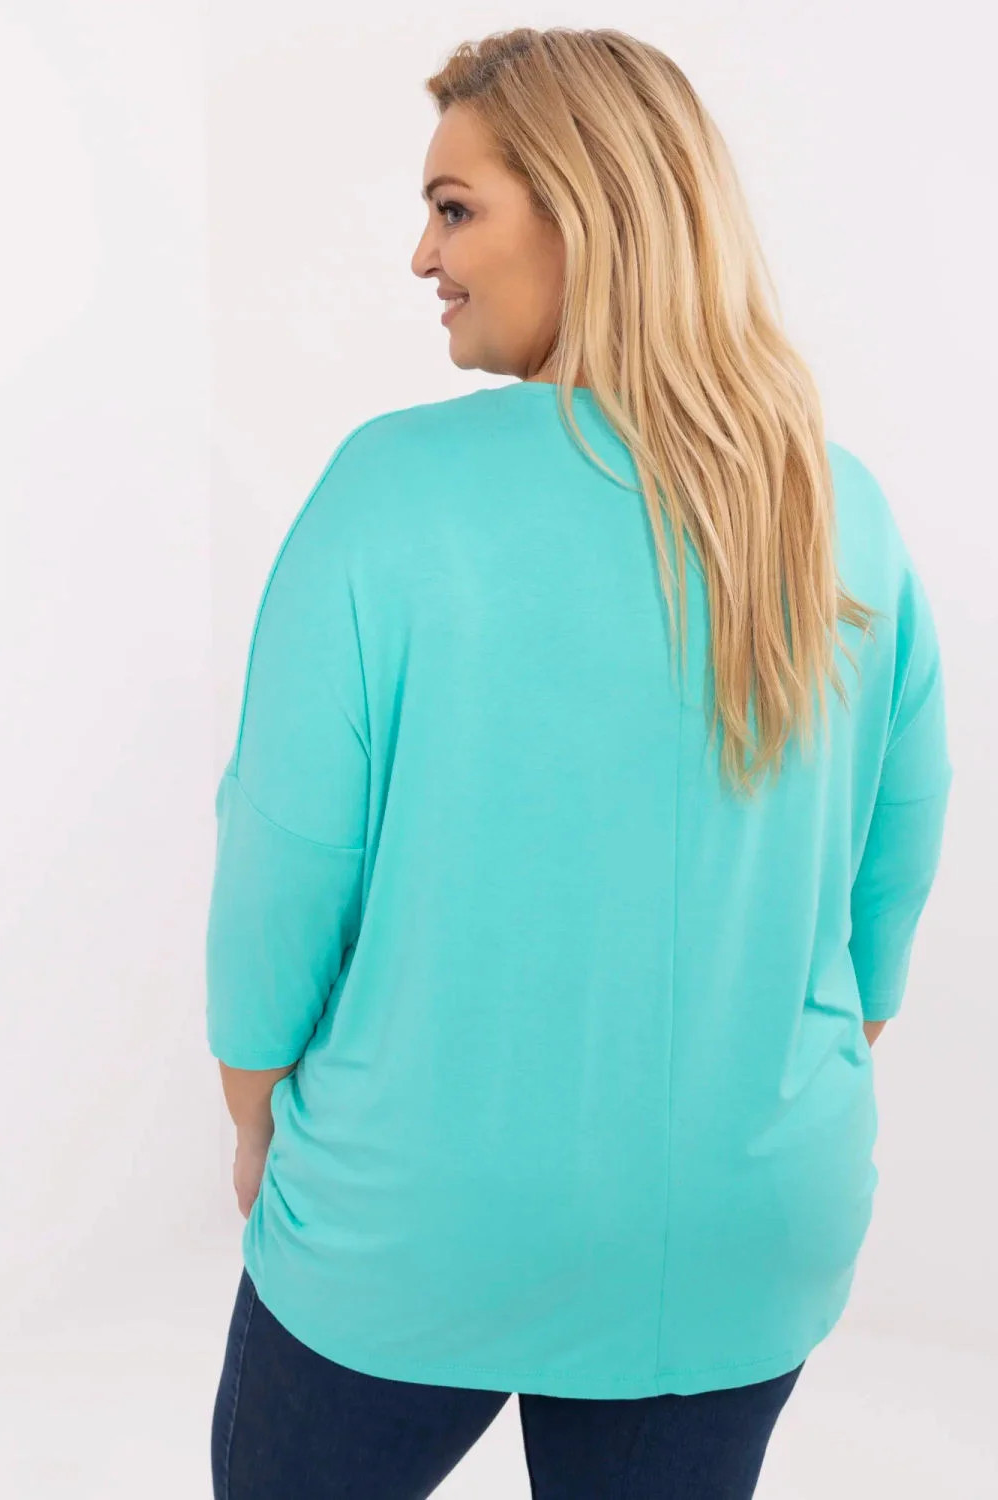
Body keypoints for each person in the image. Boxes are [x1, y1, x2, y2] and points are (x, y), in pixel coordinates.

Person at [205, 26, 953, 1500]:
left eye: (456, 207)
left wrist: (253, 1113)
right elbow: (894, 870)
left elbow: (283, 861)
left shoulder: (389, 492)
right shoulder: (836, 509)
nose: (423, 256)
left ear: (589, 212)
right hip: (744, 1227)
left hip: (415, 1220)